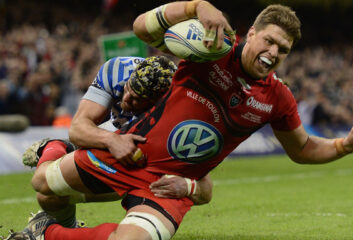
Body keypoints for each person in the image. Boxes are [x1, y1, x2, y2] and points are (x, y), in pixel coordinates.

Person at [7, 1, 353, 240]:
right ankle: (52, 149)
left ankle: (46, 234)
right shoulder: (210, 49)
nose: (274, 52)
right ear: (251, 33)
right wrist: (194, 6)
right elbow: (143, 27)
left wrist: (345, 145)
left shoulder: (277, 98)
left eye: (284, 49)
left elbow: (304, 148)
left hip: (170, 187)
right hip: (129, 154)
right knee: (44, 185)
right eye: (269, 41)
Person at [18, 55, 213, 229]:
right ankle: (66, 228)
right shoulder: (117, 70)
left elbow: (206, 190)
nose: (126, 99)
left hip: (146, 171)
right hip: (114, 142)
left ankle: (58, 148)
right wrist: (112, 141)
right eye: (128, 88)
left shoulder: (179, 115)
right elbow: (78, 128)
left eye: (138, 99)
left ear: (158, 103)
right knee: (46, 194)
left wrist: (187, 187)